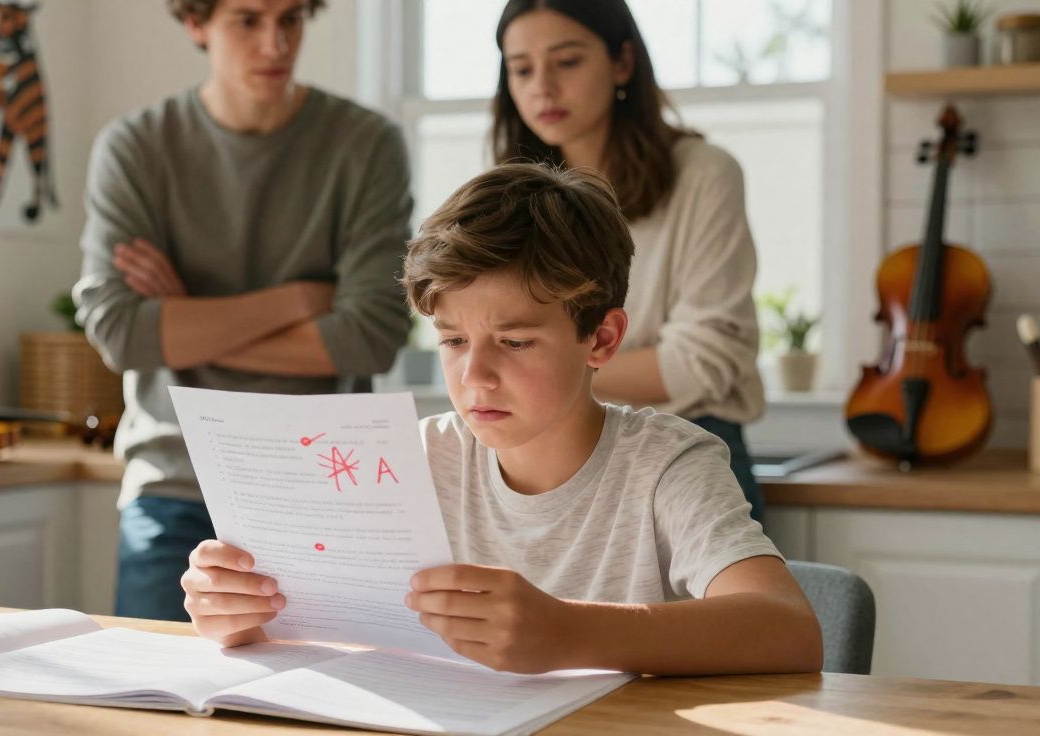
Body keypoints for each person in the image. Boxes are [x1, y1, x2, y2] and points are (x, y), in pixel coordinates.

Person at [180, 163, 822, 676]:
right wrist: (235, 612)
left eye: (514, 342)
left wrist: (571, 633)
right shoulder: (409, 461)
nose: (475, 376)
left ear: (601, 339)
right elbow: (308, 630)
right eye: (454, 341)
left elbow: (790, 629)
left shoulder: (667, 466)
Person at [74, 0, 412, 621]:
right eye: (248, 20)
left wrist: (180, 319)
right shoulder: (137, 147)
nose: (276, 44)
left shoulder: (366, 145)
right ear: (197, 23)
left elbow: (370, 336)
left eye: (291, 20)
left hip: (322, 486)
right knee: (156, 707)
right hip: (175, 485)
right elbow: (121, 332)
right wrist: (300, 299)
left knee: (322, 711)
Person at [492, 0, 767, 521]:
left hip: (692, 448)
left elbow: (703, 364)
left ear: (622, 62)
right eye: (522, 69)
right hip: (554, 453)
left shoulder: (705, 176)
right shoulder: (508, 196)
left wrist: (536, 362)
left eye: (567, 62)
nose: (542, 87)